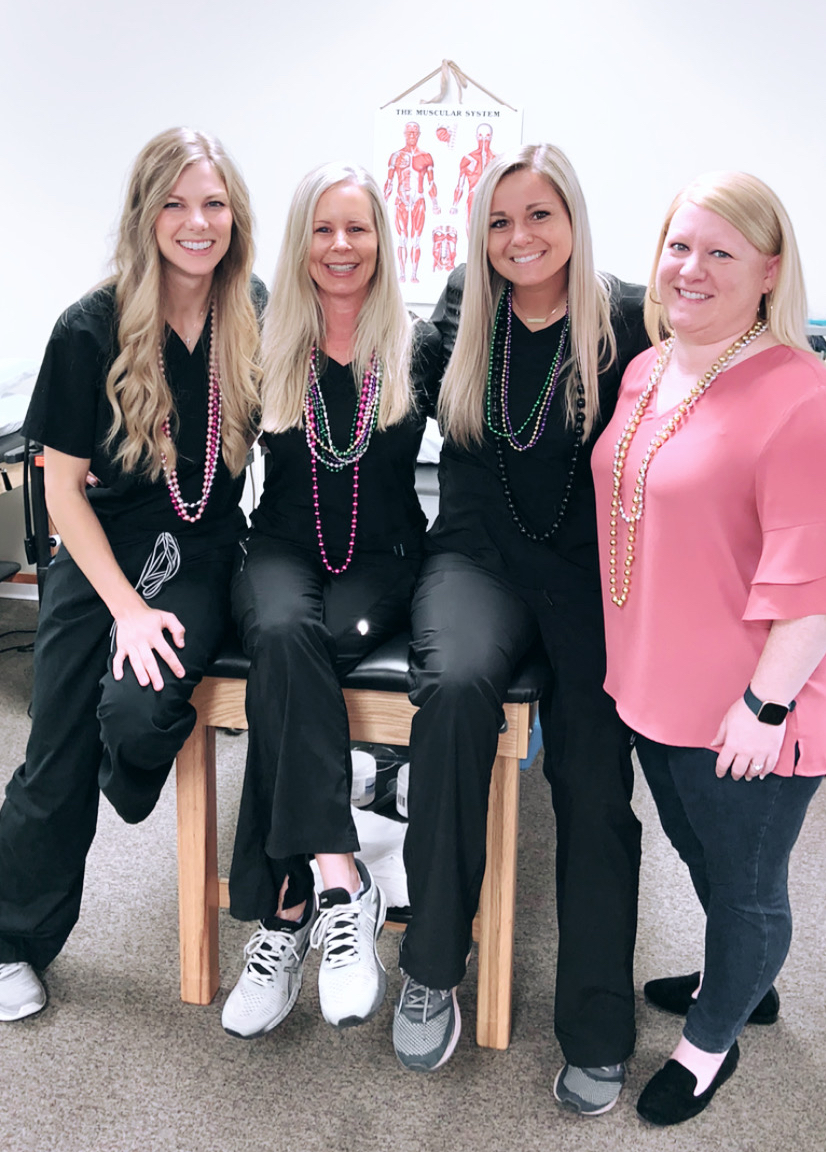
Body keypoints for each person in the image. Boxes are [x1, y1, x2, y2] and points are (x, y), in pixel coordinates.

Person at [392, 143, 648, 1115]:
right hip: (477, 560)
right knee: (454, 691)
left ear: (573, 220)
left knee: (593, 775)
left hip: (591, 577)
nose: (519, 237)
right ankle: (431, 964)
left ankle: (597, 1024)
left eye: (539, 215)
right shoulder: (465, 307)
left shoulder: (628, 319)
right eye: (499, 221)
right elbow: (379, 392)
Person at [0, 127, 264, 1021]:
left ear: (236, 216)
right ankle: (9, 937)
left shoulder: (252, 309)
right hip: (100, 547)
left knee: (139, 713)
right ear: (146, 214)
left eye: (215, 203)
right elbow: (60, 491)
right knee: (55, 751)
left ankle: (127, 760)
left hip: (204, 548)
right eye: (176, 204)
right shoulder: (89, 326)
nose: (198, 222)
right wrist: (125, 609)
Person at [592, 171, 826, 1125]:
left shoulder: (800, 396)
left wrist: (767, 706)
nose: (690, 268)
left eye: (721, 252)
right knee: (699, 853)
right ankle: (743, 981)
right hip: (655, 683)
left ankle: (710, 1041)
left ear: (769, 271)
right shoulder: (648, 368)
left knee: (746, 887)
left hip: (749, 704)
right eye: (679, 246)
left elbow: (814, 581)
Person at [221, 162, 441, 1039]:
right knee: (282, 633)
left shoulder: (419, 346)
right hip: (279, 550)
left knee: (294, 666)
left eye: (357, 228)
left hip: (382, 562)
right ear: (300, 241)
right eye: (323, 229)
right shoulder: (263, 341)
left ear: (381, 239)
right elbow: (202, 448)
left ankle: (282, 913)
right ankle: (342, 881)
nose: (340, 245)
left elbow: (484, 453)